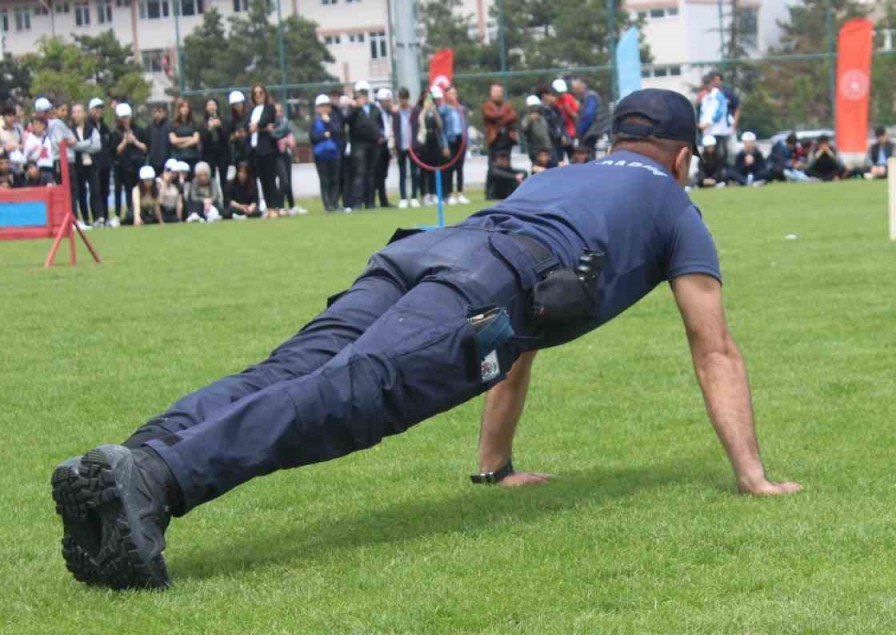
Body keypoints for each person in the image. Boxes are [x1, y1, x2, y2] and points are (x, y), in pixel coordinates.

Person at [49, 87, 801, 592]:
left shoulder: (564, 175)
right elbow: (715, 349)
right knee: (350, 394)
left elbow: (525, 335)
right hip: (491, 279)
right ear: (681, 154)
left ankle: (133, 460)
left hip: (428, 251)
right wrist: (752, 475)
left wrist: (495, 468)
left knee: (291, 367)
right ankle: (158, 484)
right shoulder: (674, 206)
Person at [246, 84, 281, 218]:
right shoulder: (252, 111)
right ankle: (267, 207)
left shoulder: (269, 108)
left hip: (267, 149)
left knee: (270, 179)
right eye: (255, 93)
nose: (258, 95)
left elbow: (266, 120)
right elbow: (246, 125)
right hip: (254, 150)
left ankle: (273, 206)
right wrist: (261, 127)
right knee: (261, 180)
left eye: (261, 93)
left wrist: (258, 126)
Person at [344, 81, 380, 211]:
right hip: (358, 144)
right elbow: (347, 120)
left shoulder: (374, 108)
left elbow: (378, 123)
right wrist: (356, 107)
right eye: (361, 93)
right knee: (360, 173)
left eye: (365, 93)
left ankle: (370, 202)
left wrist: (379, 136)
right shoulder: (353, 108)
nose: (363, 96)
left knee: (371, 173)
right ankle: (357, 202)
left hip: (373, 144)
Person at [68, 103, 104, 227]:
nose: (77, 115)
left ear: (84, 114)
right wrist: (88, 143)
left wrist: (82, 145)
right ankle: (84, 219)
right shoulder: (69, 131)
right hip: (77, 165)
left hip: (91, 164)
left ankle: (98, 217)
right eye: (74, 112)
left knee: (95, 190)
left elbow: (97, 146)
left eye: (79, 112)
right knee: (80, 192)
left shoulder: (92, 129)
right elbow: (72, 146)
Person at [112, 103, 148, 227]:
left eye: (127, 117)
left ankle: (135, 213)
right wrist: (124, 141)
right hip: (121, 165)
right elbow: (115, 150)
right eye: (123, 117)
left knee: (135, 190)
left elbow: (145, 148)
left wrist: (135, 141)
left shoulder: (139, 130)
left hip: (137, 164)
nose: (125, 120)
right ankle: (117, 215)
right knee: (119, 189)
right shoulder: (116, 132)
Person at [412, 86, 449, 204]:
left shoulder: (435, 110)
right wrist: (425, 110)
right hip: (424, 140)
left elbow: (440, 125)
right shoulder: (419, 110)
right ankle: (424, 194)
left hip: (434, 140)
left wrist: (433, 111)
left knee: (435, 167)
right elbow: (419, 122)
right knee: (424, 169)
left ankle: (434, 193)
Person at [311, 94, 343, 213]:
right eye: (322, 106)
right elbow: (312, 137)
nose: (325, 108)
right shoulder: (315, 122)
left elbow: (338, 132)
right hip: (320, 155)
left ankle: (335, 203)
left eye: (327, 106)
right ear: (317, 108)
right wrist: (323, 135)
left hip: (334, 154)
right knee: (325, 180)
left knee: (335, 179)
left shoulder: (333, 119)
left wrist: (328, 123)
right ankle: (327, 204)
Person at [394, 88, 421, 208]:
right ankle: (403, 197)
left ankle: (414, 196)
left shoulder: (414, 111)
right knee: (402, 173)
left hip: (412, 146)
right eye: (401, 98)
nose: (403, 101)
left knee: (414, 172)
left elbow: (418, 127)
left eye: (404, 98)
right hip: (401, 146)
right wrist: (394, 144)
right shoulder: (396, 112)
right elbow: (394, 129)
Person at [442, 86, 469, 205]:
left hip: (460, 140)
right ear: (446, 95)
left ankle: (460, 192)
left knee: (460, 168)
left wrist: (467, 141)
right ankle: (449, 193)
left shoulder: (461, 109)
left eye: (455, 93)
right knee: (450, 168)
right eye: (451, 93)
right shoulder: (443, 110)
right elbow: (441, 129)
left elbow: (465, 125)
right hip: (450, 140)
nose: (453, 96)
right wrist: (444, 145)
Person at [698, 75, 734, 161]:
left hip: (718, 130)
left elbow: (721, 111)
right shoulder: (705, 97)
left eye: (707, 83)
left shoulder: (718, 95)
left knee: (719, 153)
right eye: (704, 84)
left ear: (711, 83)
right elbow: (703, 112)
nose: (706, 86)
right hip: (707, 130)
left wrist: (709, 122)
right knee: (707, 153)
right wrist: (701, 123)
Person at [88, 98, 113, 224]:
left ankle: (105, 216)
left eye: (100, 108)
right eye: (96, 108)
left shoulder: (104, 126)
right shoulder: (88, 126)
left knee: (105, 190)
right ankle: (97, 216)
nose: (99, 111)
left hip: (105, 163)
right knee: (95, 190)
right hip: (93, 163)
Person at [272, 102, 299, 215]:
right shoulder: (271, 125)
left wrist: (291, 145)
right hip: (275, 155)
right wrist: (282, 140)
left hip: (285, 154)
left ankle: (292, 206)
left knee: (288, 181)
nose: (278, 114)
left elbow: (291, 139)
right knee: (283, 180)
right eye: (276, 111)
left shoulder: (285, 123)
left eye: (280, 111)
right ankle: (279, 206)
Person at [481, 83, 520, 159]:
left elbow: (514, 115)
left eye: (499, 91)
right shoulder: (486, 105)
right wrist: (504, 113)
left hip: (507, 138)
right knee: (494, 161)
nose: (497, 94)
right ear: (491, 92)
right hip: (494, 138)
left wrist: (501, 120)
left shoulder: (508, 105)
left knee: (506, 160)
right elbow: (490, 115)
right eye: (495, 91)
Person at [371, 88, 395, 209]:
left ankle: (383, 199)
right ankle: (372, 200)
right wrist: (379, 136)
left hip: (386, 145)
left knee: (383, 174)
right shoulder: (375, 112)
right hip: (377, 145)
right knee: (376, 174)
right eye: (387, 101)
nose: (389, 103)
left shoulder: (388, 112)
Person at [201, 98, 230, 192]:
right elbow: (202, 138)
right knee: (210, 177)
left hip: (222, 152)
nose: (211, 107)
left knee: (224, 179)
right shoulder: (202, 123)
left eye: (213, 104)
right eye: (209, 105)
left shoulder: (223, 120)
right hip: (209, 153)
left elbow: (227, 137)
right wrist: (209, 127)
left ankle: (226, 202)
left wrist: (220, 126)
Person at [572, 78, 605, 158]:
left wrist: (580, 131)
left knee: (587, 156)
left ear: (583, 86)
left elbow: (588, 115)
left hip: (590, 133)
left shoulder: (590, 97)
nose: (574, 91)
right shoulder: (585, 98)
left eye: (576, 88)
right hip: (590, 132)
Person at [23, 115, 57, 185]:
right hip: (37, 170)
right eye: (35, 124)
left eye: (41, 124)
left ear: (44, 125)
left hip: (49, 168)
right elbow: (25, 157)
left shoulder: (49, 139)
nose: (38, 126)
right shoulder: (29, 140)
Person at [170, 99, 201, 171]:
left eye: (187, 107)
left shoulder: (194, 123)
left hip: (192, 157)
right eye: (183, 107)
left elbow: (196, 139)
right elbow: (173, 140)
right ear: (179, 109)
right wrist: (188, 138)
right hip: (178, 157)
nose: (185, 109)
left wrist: (182, 145)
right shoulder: (173, 124)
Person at [519, 95, 552, 161]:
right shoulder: (527, 118)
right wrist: (530, 120)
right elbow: (523, 129)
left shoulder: (543, 117)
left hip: (546, 147)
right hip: (535, 149)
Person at [552, 78, 578, 159]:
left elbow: (576, 116)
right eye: (559, 93)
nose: (561, 95)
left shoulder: (569, 99)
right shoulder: (553, 101)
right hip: (558, 133)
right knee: (559, 157)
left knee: (572, 155)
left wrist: (568, 109)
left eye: (563, 92)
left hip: (570, 132)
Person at [227, 91, 250, 179]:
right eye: (235, 104)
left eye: (239, 104)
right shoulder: (230, 120)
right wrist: (236, 135)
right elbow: (228, 138)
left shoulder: (249, 116)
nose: (237, 106)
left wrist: (247, 134)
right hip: (238, 153)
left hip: (249, 151)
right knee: (240, 176)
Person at [147, 104, 171, 171]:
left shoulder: (169, 125)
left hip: (166, 160)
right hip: (153, 160)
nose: (157, 113)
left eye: (160, 111)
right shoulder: (150, 126)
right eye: (155, 111)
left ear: (165, 113)